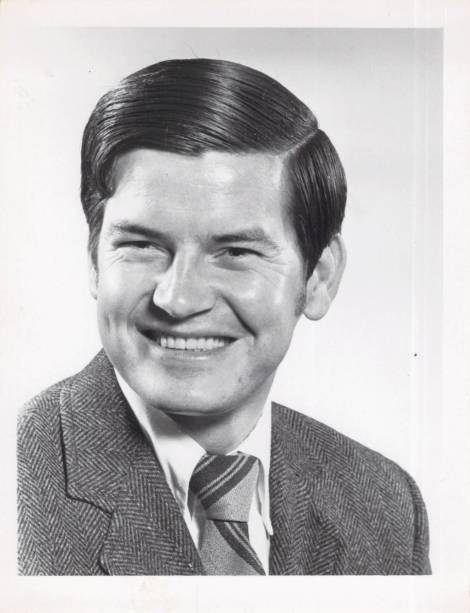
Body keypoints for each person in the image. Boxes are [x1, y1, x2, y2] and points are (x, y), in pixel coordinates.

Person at [17, 58, 430, 576]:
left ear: (319, 278)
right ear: (95, 261)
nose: (178, 299)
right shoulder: (19, 483)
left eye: (235, 252)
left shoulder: (385, 504)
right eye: (142, 245)